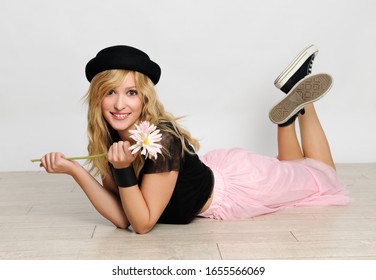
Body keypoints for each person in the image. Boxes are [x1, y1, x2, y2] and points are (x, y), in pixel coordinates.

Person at [39, 44, 349, 234]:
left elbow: (143, 224)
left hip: (241, 187)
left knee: (325, 176)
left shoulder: (162, 141)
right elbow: (124, 218)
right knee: (296, 169)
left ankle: (304, 101)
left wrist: (121, 170)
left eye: (131, 92)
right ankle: (289, 114)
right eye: (110, 92)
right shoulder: (112, 142)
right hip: (219, 174)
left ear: (144, 98)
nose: (120, 104)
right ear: (97, 99)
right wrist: (75, 170)